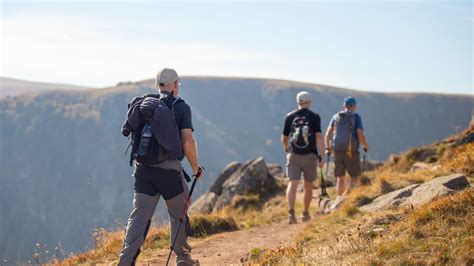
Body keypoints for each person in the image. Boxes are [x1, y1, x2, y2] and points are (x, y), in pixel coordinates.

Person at [118, 68, 204, 266]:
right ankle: (182, 258)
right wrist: (195, 168)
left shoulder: (144, 105)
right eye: (178, 84)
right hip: (168, 173)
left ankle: (125, 261)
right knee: (179, 213)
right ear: (174, 85)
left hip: (142, 170)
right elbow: (188, 142)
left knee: (138, 217)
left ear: (158, 85)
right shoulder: (180, 107)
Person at [281, 91, 324, 224]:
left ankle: (291, 214)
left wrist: (288, 151)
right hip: (310, 155)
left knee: (292, 183)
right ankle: (305, 213)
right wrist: (321, 155)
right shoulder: (314, 117)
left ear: (298, 102)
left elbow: (284, 138)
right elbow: (318, 137)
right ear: (309, 102)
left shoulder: (290, 116)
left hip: (294, 155)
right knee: (308, 185)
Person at [325, 96, 368, 197]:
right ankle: (348, 196)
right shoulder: (356, 117)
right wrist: (365, 145)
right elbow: (359, 133)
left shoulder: (336, 116)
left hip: (337, 149)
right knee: (354, 175)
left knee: (340, 177)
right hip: (351, 150)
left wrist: (328, 147)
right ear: (354, 106)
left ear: (344, 105)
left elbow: (328, 134)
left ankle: (339, 199)